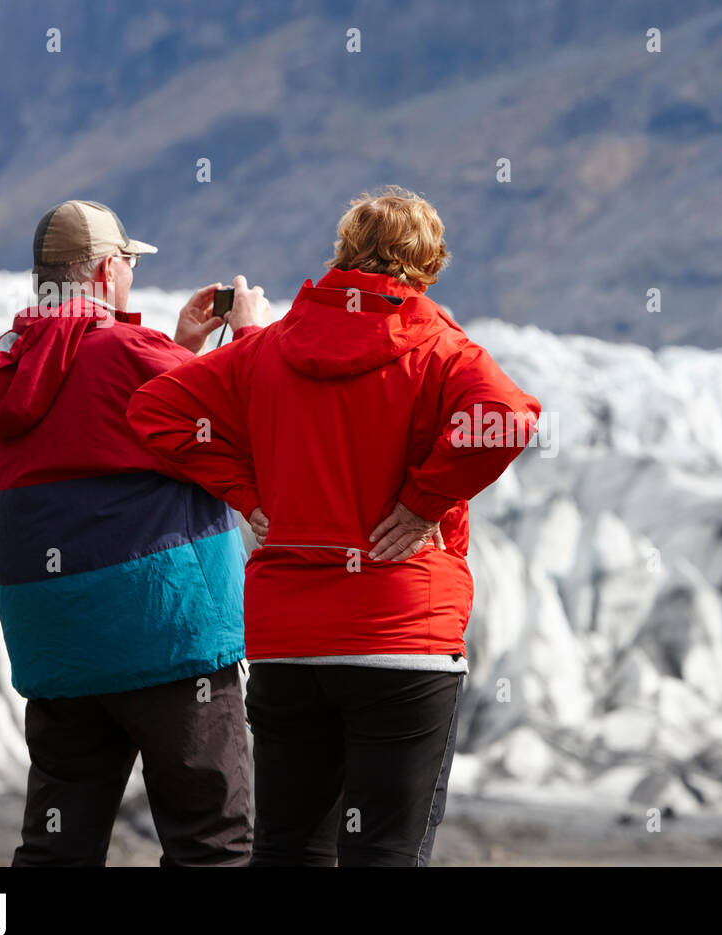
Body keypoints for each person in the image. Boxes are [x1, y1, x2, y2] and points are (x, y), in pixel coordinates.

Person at [128, 186, 542, 866]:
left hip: (289, 644)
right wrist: (423, 501)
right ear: (427, 265)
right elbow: (507, 417)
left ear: (343, 255)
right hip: (401, 635)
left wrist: (247, 493)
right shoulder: (439, 348)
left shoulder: (268, 349)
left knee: (291, 848)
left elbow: (156, 409)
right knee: (384, 850)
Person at [0, 199, 270, 866]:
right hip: (167, 643)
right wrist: (247, 338)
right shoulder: (132, 355)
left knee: (57, 844)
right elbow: (256, 419)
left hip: (58, 652)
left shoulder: (6, 367)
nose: (130, 272)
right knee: (210, 841)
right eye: (129, 262)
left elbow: (105, 419)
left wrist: (181, 347)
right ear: (108, 267)